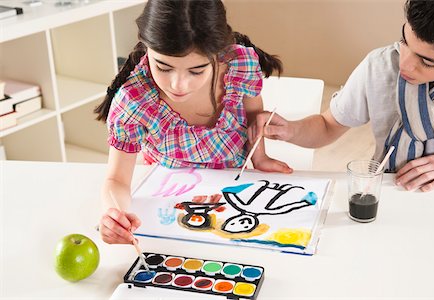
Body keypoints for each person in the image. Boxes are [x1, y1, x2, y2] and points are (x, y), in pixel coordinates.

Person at [95, 0, 292, 244]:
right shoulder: (135, 100)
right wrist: (115, 214)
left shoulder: (239, 64)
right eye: (163, 67)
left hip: (232, 188)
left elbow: (254, 115)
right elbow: (116, 180)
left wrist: (259, 157)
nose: (178, 85)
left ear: (219, 52)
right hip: (170, 196)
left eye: (196, 71)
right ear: (147, 48)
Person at [250, 0, 434, 192]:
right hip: (384, 191)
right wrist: (291, 130)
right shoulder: (381, 65)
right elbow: (328, 126)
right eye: (404, 41)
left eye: (427, 62)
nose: (404, 64)